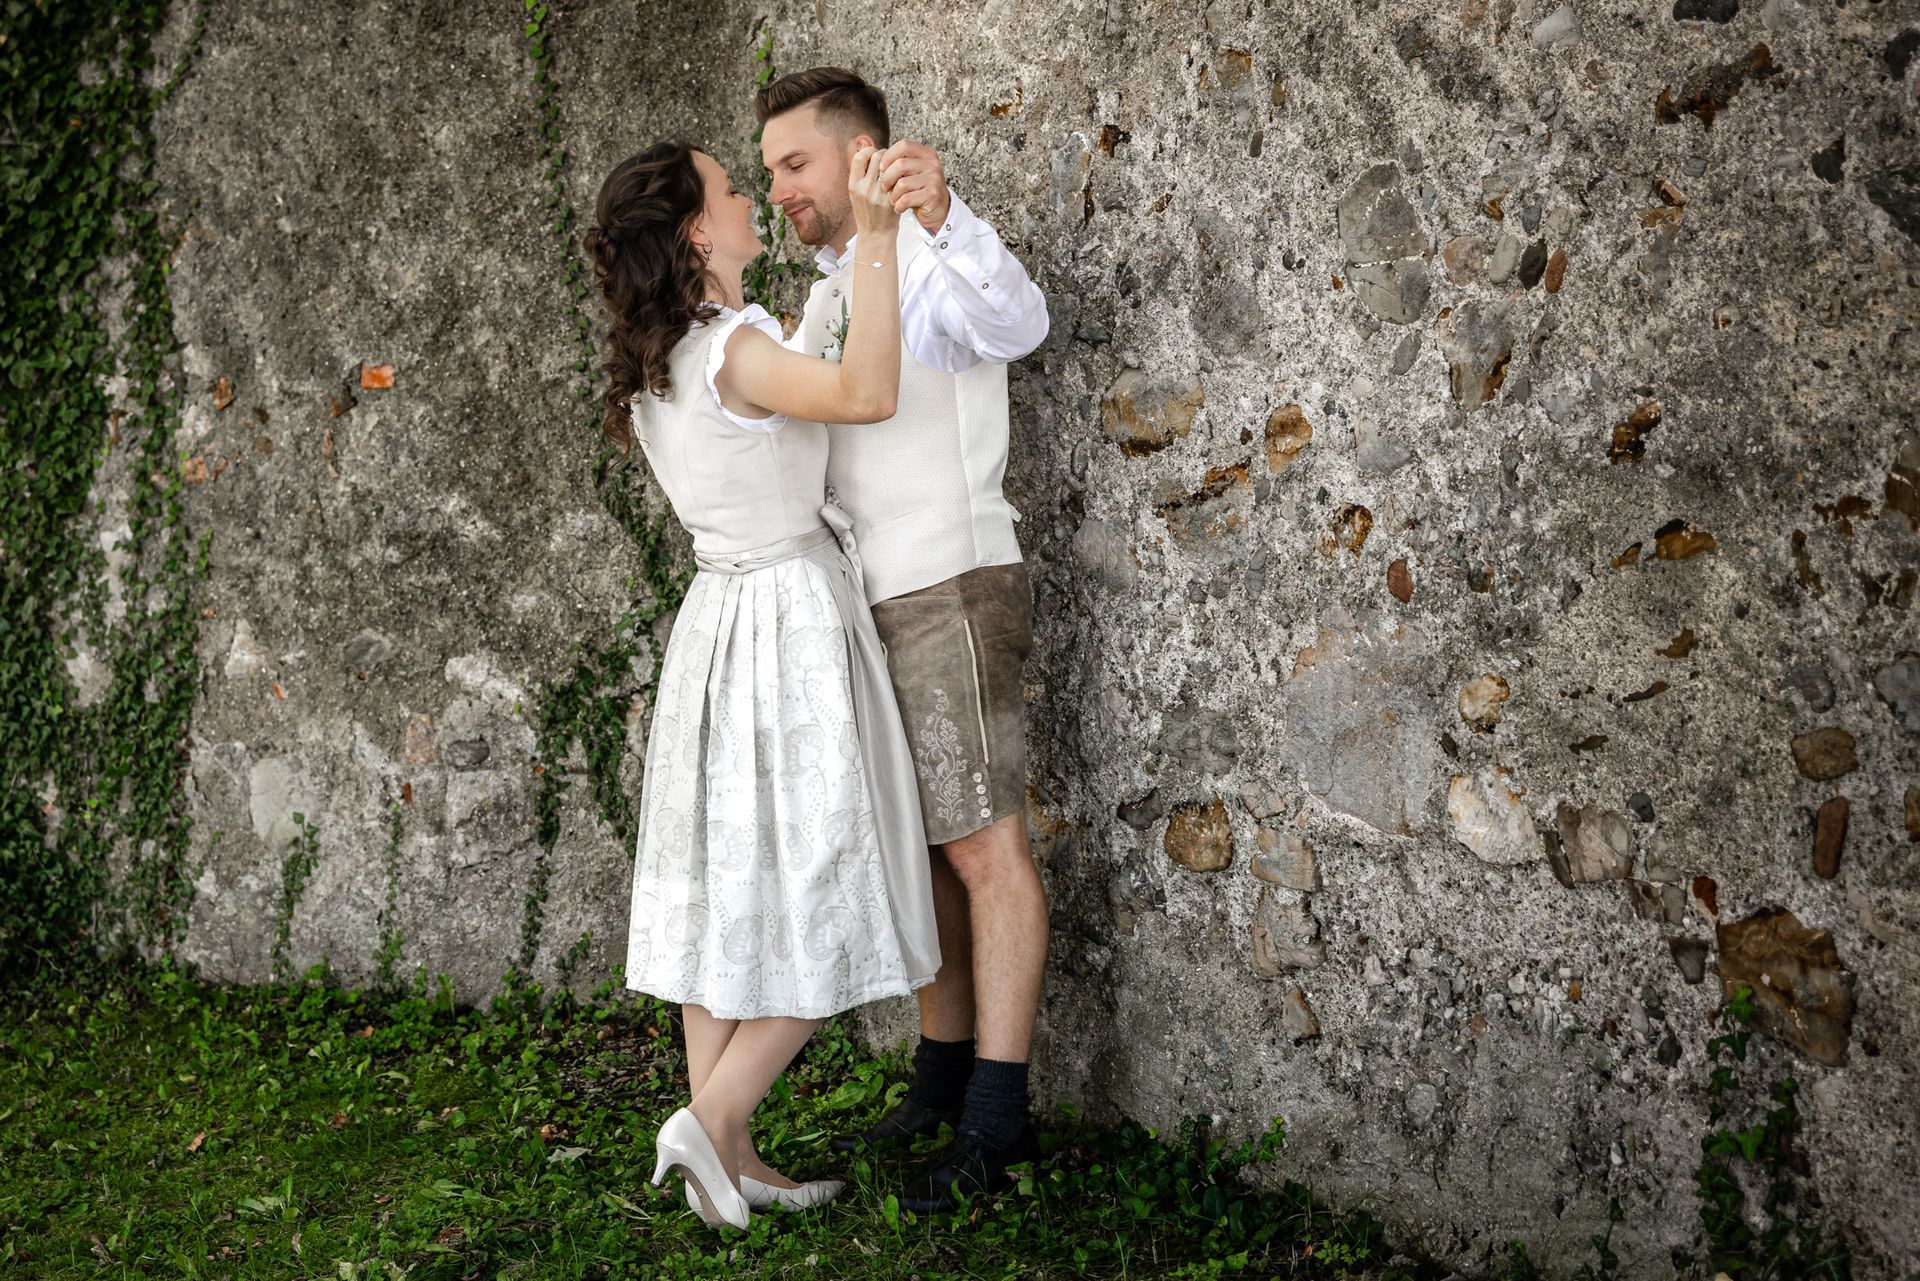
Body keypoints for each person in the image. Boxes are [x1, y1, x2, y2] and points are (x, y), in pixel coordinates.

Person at [587, 138, 939, 1232]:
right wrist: (875, 239)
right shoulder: (735, 349)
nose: (752, 199)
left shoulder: (661, 362)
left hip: (715, 622)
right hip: (784, 614)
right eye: (733, 190)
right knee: (836, 868)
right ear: (698, 230)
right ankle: (712, 1114)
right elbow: (869, 394)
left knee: (725, 883)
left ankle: (727, 1150)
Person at [755, 67, 1052, 1214]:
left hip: (950, 584)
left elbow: (1018, 323)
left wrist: (941, 215)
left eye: (795, 163)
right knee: (925, 853)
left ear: (861, 153)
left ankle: (999, 1115)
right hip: (869, 600)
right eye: (771, 168)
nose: (782, 187)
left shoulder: (925, 255)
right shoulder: (832, 289)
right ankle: (936, 1080)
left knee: (985, 850)